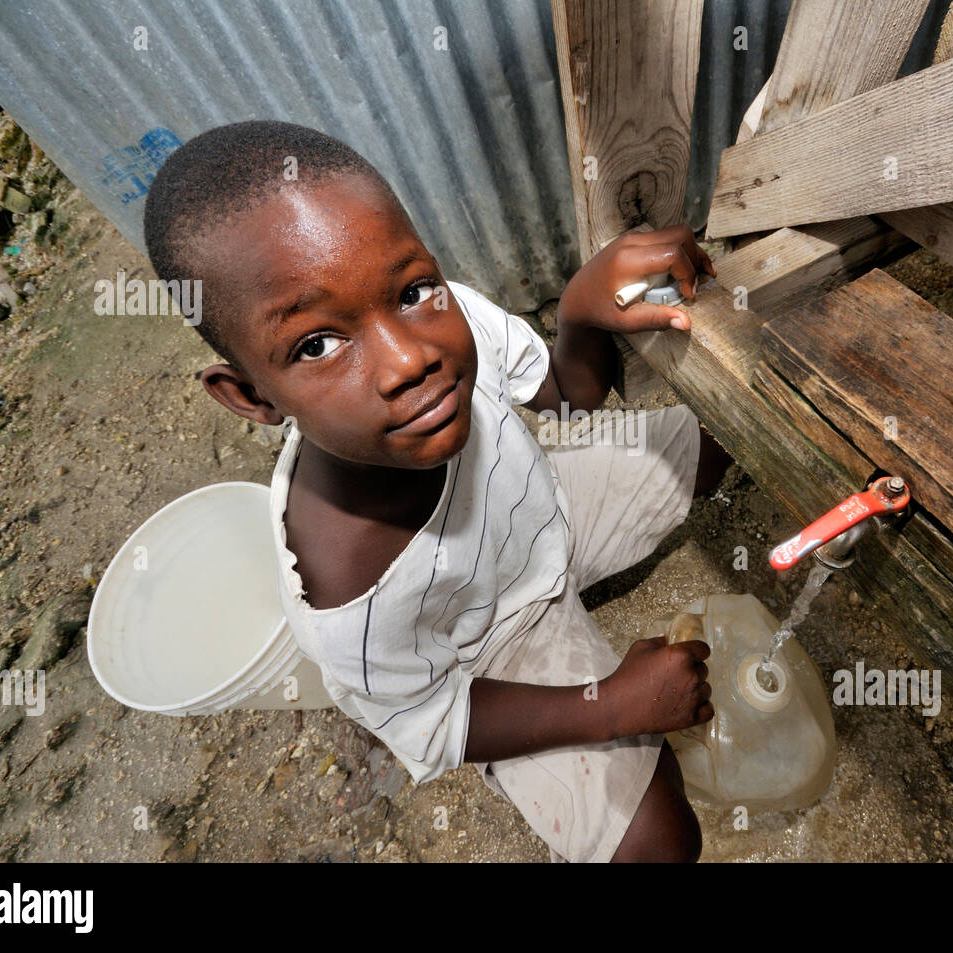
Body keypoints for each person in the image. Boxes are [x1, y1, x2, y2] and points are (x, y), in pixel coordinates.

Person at [143, 120, 733, 862]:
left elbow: (564, 396)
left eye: (414, 288)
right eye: (317, 344)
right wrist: (608, 705)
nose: (408, 358)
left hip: (539, 512)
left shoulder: (445, 317)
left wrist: (582, 304)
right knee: (658, 840)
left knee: (720, 435)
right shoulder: (345, 597)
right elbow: (440, 722)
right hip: (489, 647)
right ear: (252, 396)